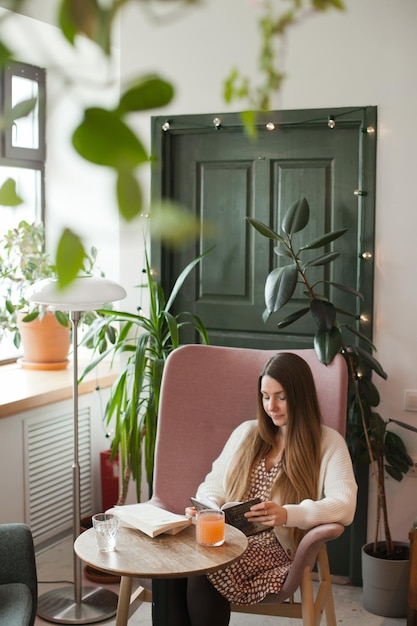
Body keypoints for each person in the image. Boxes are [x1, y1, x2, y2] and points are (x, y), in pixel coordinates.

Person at [156, 352, 357, 626]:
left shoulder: (328, 442)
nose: (271, 406)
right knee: (172, 567)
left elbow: (345, 505)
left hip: (274, 551)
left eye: (281, 396)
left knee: (202, 568)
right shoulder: (247, 433)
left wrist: (287, 514)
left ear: (301, 395)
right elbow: (213, 484)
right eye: (265, 396)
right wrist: (205, 509)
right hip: (227, 536)